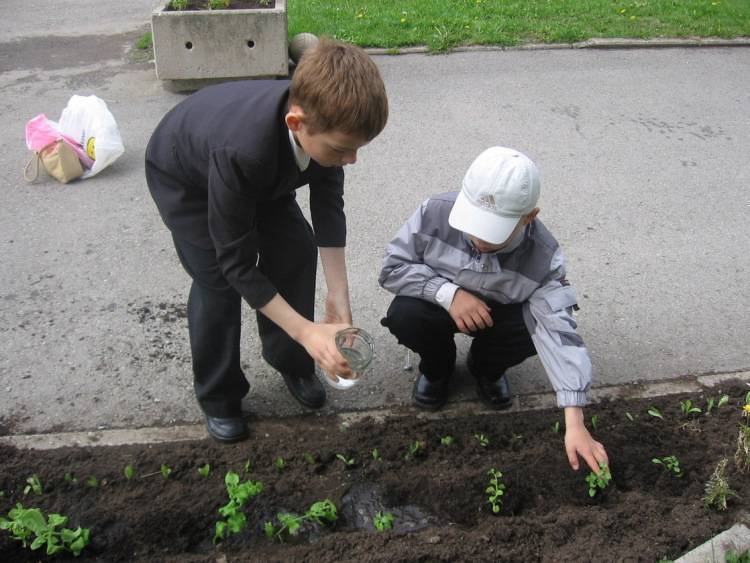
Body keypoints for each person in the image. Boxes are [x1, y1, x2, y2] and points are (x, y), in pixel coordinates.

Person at [145, 39, 388, 443]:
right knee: (218, 282)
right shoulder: (245, 151)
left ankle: (291, 361)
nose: (352, 160)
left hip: (260, 175)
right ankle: (218, 395)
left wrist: (337, 295)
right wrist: (307, 330)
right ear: (296, 123)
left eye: (357, 150)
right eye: (344, 150)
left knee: (295, 248)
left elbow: (328, 207)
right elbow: (236, 262)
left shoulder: (326, 130)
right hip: (189, 180)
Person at [379, 146, 608, 472]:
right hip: (439, 305)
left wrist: (575, 419)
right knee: (405, 315)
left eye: (491, 230)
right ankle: (437, 368)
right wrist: (448, 294)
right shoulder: (434, 213)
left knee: (531, 328)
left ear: (529, 217)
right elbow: (392, 268)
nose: (477, 238)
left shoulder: (543, 258)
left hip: (499, 314)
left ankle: (487, 368)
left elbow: (558, 332)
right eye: (473, 222)